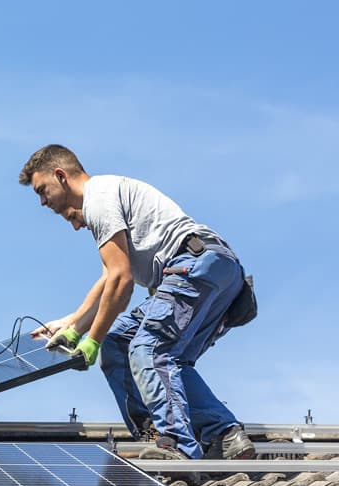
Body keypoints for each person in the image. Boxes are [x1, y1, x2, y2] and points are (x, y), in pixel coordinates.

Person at [19, 144, 255, 460]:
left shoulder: (97, 198)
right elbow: (109, 279)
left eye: (42, 190)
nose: (43, 201)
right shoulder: (108, 195)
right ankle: (224, 434)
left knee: (149, 348)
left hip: (191, 267)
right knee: (121, 342)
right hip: (215, 271)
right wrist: (72, 324)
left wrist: (90, 342)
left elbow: (122, 281)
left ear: (60, 175)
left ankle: (174, 445)